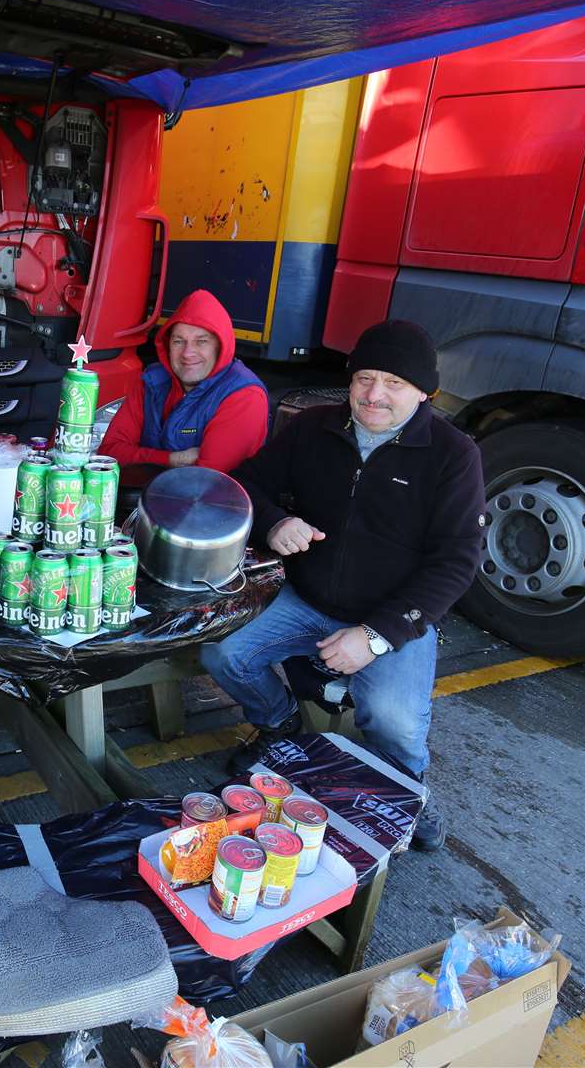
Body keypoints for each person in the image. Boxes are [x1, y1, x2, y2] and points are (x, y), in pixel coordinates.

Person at [200, 320, 485, 851]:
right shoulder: (313, 427)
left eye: (394, 384)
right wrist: (274, 522)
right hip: (305, 602)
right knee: (221, 654)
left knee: (393, 721)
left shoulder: (454, 455)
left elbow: (457, 562)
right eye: (365, 378)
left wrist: (375, 635)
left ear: (425, 393)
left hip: (392, 616)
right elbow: (247, 483)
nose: (374, 394)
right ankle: (279, 724)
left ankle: (407, 789)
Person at [96, 288, 269, 474]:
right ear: (167, 345)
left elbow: (206, 482)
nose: (187, 353)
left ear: (221, 347)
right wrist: (171, 459)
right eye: (179, 341)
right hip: (148, 499)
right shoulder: (152, 382)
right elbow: (109, 455)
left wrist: (140, 456)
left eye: (201, 341)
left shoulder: (244, 395)